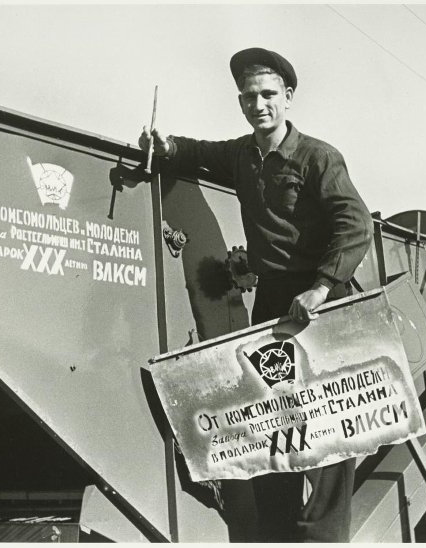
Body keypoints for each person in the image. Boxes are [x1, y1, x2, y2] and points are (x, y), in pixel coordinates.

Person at [138, 47, 373, 542]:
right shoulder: (243, 156)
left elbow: (355, 225)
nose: (258, 104)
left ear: (288, 97)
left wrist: (321, 287)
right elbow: (199, 152)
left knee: (335, 425)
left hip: (321, 299)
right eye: (249, 97)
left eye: (268, 95)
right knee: (271, 421)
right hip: (274, 302)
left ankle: (325, 537)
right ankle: (276, 533)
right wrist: (166, 144)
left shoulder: (318, 157)